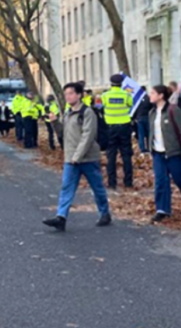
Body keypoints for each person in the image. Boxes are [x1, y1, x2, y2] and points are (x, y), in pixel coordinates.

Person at [42, 82, 111, 232]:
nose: (68, 96)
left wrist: (77, 156)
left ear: (79, 95)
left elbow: (88, 136)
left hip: (88, 158)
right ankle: (61, 217)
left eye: (71, 93)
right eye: (66, 94)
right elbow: (63, 134)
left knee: (97, 188)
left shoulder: (87, 112)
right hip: (71, 158)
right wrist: (54, 122)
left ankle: (105, 213)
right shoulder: (68, 113)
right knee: (66, 188)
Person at [148, 85, 181, 222]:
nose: (150, 95)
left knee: (179, 179)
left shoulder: (173, 110)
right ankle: (162, 210)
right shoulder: (152, 113)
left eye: (153, 93)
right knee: (160, 181)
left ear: (161, 96)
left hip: (174, 153)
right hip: (158, 153)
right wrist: (150, 148)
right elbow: (151, 132)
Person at [102, 74, 134, 189]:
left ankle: (112, 182)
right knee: (126, 155)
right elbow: (130, 105)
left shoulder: (105, 95)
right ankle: (128, 182)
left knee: (111, 155)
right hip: (124, 126)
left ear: (111, 83)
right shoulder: (127, 95)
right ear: (121, 83)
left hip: (110, 127)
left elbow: (100, 107)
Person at [133, 87, 151, 154]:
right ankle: (149, 147)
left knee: (141, 134)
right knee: (149, 133)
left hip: (139, 118)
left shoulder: (136, 99)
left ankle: (142, 148)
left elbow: (134, 109)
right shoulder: (148, 98)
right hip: (147, 117)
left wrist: (134, 118)